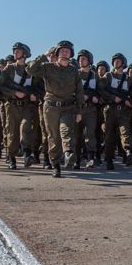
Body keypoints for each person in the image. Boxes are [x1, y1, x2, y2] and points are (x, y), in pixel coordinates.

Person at [26, 41, 83, 178]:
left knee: (66, 131)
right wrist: (44, 55)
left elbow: (79, 92)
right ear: (57, 53)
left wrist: (79, 110)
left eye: (67, 51)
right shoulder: (48, 67)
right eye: (62, 51)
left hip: (68, 107)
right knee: (53, 137)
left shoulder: (74, 71)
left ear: (71, 54)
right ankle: (56, 165)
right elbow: (30, 69)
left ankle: (69, 153)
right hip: (51, 107)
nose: (65, 53)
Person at [0, 42, 40, 168]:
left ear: (25, 54)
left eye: (18, 51)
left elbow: (40, 87)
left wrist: (35, 95)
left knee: (26, 128)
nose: (15, 53)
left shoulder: (31, 70)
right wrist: (14, 92)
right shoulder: (9, 69)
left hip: (28, 105)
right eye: (14, 51)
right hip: (12, 105)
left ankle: (27, 154)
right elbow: (0, 86)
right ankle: (11, 157)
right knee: (12, 133)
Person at [98, 53, 132, 170]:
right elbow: (100, 89)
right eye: (114, 61)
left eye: (118, 61)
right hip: (110, 110)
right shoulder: (108, 76)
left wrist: (128, 101)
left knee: (125, 132)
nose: (116, 63)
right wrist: (113, 98)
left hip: (123, 110)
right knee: (109, 136)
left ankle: (128, 152)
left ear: (123, 64)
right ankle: (109, 160)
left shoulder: (128, 80)